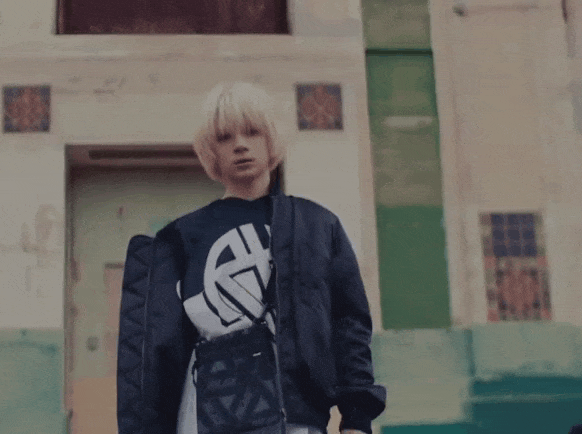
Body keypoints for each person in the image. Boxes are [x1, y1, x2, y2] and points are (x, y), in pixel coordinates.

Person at [116, 82, 386, 434]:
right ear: (211, 151)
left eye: (252, 132)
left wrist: (357, 419)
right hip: (205, 418)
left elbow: (348, 325)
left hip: (298, 419)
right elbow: (157, 355)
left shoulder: (316, 226)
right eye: (225, 137)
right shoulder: (180, 238)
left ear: (271, 139)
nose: (240, 145)